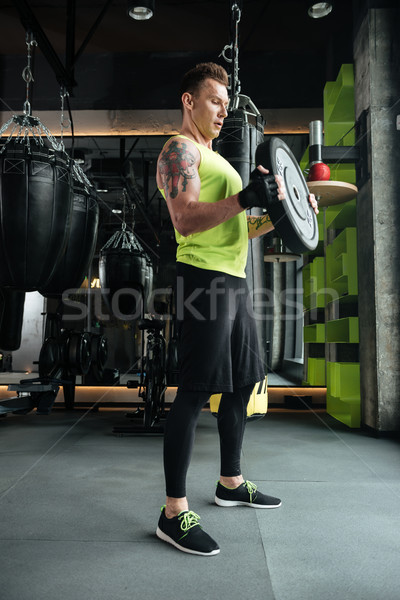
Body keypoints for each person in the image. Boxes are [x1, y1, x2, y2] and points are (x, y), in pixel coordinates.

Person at [155, 62, 318, 556]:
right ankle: (172, 513)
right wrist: (247, 194)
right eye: (214, 102)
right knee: (195, 389)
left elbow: (239, 230)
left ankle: (230, 481)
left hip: (235, 278)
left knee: (247, 378)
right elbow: (185, 220)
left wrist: (287, 210)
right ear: (189, 101)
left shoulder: (214, 156)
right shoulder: (178, 150)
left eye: (227, 105)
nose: (223, 112)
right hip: (202, 278)